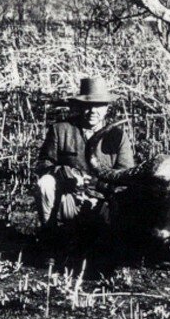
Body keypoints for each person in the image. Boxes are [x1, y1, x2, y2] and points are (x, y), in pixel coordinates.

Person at [36, 77, 134, 228]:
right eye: (87, 105)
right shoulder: (60, 130)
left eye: (98, 105)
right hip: (68, 198)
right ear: (80, 106)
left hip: (102, 201)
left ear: (107, 107)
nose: (93, 111)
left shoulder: (118, 136)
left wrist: (100, 184)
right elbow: (43, 164)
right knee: (45, 183)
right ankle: (49, 235)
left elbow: (125, 176)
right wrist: (61, 172)